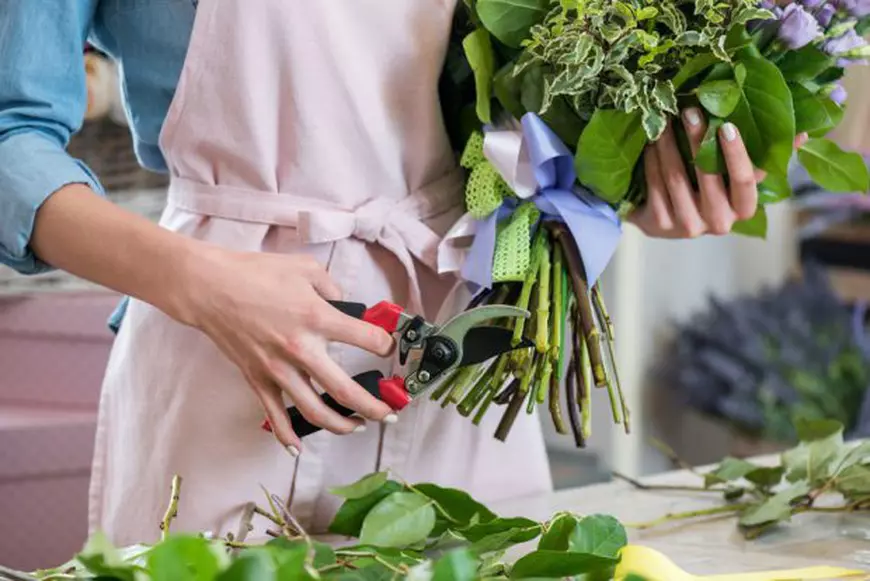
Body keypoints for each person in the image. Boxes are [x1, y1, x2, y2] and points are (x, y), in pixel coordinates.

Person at [0, 0, 799, 546]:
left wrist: (634, 181)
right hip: (227, 361)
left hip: (464, 354)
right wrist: (199, 282)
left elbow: (530, 120)